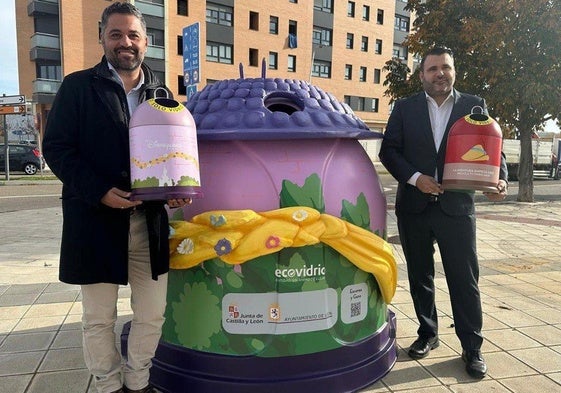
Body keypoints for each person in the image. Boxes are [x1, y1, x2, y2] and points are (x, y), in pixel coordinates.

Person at [42, 3, 191, 393]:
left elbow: (172, 152)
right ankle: (109, 385)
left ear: (146, 41)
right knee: (98, 317)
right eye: (116, 34)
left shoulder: (161, 93)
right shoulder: (78, 86)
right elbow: (57, 148)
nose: (125, 42)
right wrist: (98, 192)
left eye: (133, 35)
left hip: (149, 223)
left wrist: (174, 190)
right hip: (95, 220)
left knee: (153, 312)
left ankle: (137, 380)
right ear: (102, 39)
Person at [378, 46, 508, 379]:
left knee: (465, 280)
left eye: (446, 68)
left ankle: (472, 346)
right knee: (420, 277)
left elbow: (493, 150)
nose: (440, 74)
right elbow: (389, 151)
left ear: (454, 71)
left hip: (457, 208)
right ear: (421, 75)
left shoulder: (473, 105)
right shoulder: (404, 109)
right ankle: (428, 333)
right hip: (415, 207)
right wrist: (415, 178)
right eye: (433, 68)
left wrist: (501, 179)